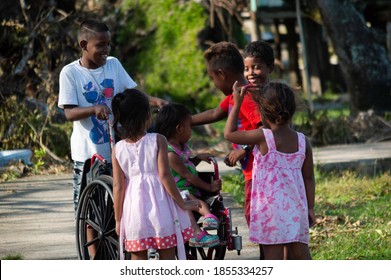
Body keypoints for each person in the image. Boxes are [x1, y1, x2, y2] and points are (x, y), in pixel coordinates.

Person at [58, 19, 167, 215]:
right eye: (100, 45)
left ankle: (121, 242)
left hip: (119, 149)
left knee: (122, 201)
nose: (106, 49)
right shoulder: (70, 73)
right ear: (84, 45)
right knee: (91, 209)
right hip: (89, 154)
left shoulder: (113, 65)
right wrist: (93, 109)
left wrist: (153, 101)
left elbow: (132, 93)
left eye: (108, 44)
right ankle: (91, 246)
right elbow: (69, 113)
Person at [224, 81, 316, 260]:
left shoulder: (263, 136)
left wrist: (237, 102)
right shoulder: (303, 142)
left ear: (262, 112)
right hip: (296, 210)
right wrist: (310, 208)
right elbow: (309, 178)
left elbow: (229, 133)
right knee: (301, 258)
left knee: (272, 261)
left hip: (268, 213)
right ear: (292, 110)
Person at [191, 41, 274, 228]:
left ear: (221, 74)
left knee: (258, 223)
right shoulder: (235, 96)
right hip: (252, 172)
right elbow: (214, 113)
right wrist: (184, 119)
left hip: (258, 172)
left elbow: (265, 129)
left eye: (212, 77)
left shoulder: (247, 97)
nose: (214, 82)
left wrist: (243, 149)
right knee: (258, 223)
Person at [111, 89, 199, 260]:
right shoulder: (158, 140)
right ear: (147, 117)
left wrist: (118, 219)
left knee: (137, 257)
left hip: (133, 211)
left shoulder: (117, 149)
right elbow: (165, 176)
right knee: (167, 256)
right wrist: (182, 203)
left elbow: (118, 186)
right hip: (161, 207)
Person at [155, 103, 222, 248]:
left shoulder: (182, 147)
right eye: (189, 127)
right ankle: (196, 234)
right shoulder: (170, 153)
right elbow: (188, 175)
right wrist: (209, 187)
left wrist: (197, 159)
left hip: (187, 191)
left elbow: (186, 164)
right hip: (176, 192)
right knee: (188, 209)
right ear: (179, 129)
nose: (191, 131)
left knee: (198, 203)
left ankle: (209, 218)